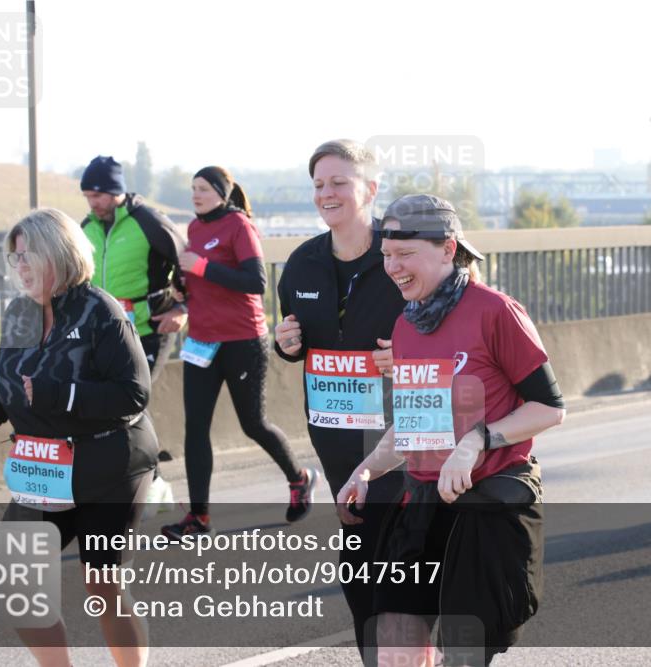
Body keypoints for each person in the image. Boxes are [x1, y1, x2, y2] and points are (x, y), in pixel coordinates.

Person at [337, 194, 566, 666]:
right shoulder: (406, 325)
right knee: (394, 647)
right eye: (386, 255)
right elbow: (417, 423)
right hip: (422, 501)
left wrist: (476, 440)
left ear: (447, 248)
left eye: (405, 254)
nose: (392, 266)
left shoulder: (495, 311)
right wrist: (367, 469)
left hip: (488, 500)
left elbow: (549, 408)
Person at [0, 208, 158, 667]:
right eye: (15, 259)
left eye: (29, 255)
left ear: (60, 253)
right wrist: (0, 406)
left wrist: (62, 395)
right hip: (46, 467)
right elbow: (23, 379)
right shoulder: (19, 313)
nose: (21, 267)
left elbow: (134, 393)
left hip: (110, 463)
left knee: (102, 584)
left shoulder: (101, 310)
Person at [273, 139, 406, 661]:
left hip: (400, 430)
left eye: (339, 183)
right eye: (319, 185)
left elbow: (450, 334)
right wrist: (284, 344)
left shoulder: (400, 256)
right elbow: (295, 339)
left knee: (386, 555)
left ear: (371, 190)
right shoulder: (301, 264)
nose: (326, 194)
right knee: (363, 556)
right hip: (332, 430)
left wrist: (409, 356)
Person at [161, 166, 317, 538]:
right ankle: (198, 517)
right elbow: (200, 281)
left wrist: (202, 266)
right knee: (195, 428)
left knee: (253, 424)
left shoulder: (238, 226)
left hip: (243, 341)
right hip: (201, 341)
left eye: (202, 189)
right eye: (192, 189)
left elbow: (254, 281)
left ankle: (299, 478)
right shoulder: (195, 229)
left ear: (221, 192)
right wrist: (183, 289)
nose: (195, 195)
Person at [80, 155, 188, 385]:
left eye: (97, 195)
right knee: (111, 405)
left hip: (149, 329)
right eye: (87, 196)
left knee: (133, 399)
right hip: (105, 332)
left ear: (115, 190)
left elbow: (188, 263)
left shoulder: (150, 221)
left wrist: (182, 309)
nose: (92, 203)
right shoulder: (86, 227)